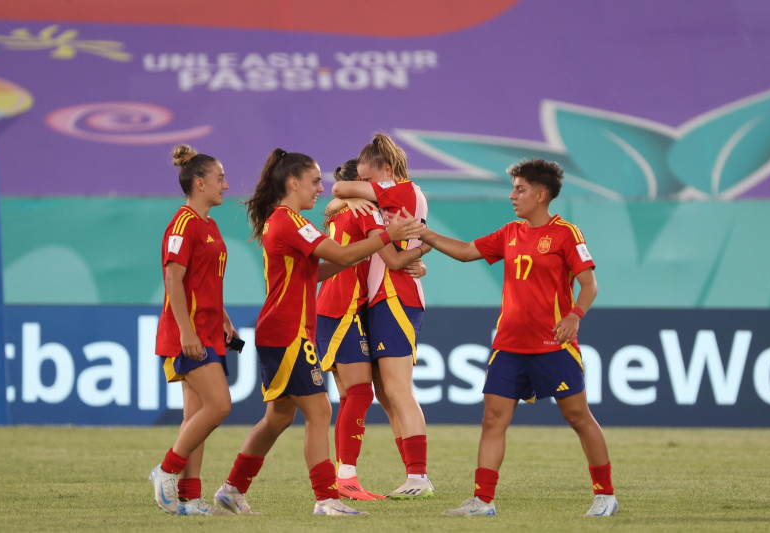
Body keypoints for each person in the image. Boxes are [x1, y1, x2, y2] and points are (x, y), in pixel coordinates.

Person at [212, 148, 422, 517]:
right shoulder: (290, 221)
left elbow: (319, 270)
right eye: (314, 182)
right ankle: (327, 498)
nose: (321, 190)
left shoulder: (286, 220)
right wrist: (387, 235)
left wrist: (360, 252)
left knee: (277, 418)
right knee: (320, 411)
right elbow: (339, 257)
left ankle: (232, 489)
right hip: (288, 333)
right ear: (293, 183)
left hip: (284, 330)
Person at [417, 158, 617, 518]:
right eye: (513, 188)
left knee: (578, 417)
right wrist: (425, 234)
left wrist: (575, 315)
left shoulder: (566, 234)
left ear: (541, 195)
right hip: (508, 346)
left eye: (520, 189)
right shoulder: (510, 232)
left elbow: (590, 284)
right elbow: (465, 252)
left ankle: (606, 495)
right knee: (493, 420)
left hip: (552, 346)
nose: (513, 196)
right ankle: (482, 501)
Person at [317, 159, 430, 500]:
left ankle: (347, 475)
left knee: (359, 395)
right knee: (365, 394)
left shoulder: (337, 212)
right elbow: (394, 260)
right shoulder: (366, 211)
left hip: (338, 306)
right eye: (366, 181)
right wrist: (424, 246)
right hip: (345, 307)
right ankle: (347, 476)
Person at [149, 145, 238, 516]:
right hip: (189, 335)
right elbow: (173, 278)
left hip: (208, 331)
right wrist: (187, 333)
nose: (227, 185)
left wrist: (225, 320)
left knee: (196, 417)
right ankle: (166, 470)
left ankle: (189, 498)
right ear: (199, 183)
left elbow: (204, 282)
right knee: (219, 406)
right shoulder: (182, 223)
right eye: (220, 179)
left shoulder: (209, 224)